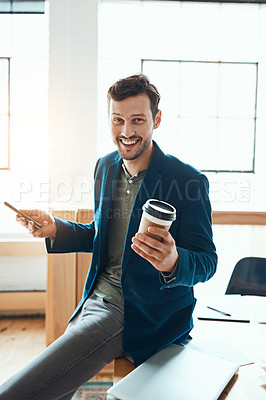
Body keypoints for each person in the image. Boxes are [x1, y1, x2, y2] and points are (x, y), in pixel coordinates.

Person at [0, 74, 217, 400]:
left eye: (137, 120)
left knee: (21, 391)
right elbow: (102, 236)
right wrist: (55, 228)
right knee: (55, 387)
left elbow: (207, 262)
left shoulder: (186, 180)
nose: (127, 132)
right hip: (93, 299)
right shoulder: (105, 167)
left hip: (136, 311)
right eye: (118, 120)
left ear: (156, 120)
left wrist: (173, 261)